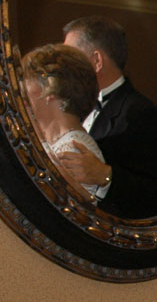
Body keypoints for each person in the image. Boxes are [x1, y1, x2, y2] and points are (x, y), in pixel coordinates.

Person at [59, 16, 157, 218]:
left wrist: (105, 175)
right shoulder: (74, 108)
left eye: (71, 58)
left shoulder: (141, 114)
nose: (63, 68)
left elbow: (155, 193)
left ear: (97, 61)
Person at [22, 43, 105, 198]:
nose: (22, 91)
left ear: (51, 90)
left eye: (27, 81)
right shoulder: (55, 142)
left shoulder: (73, 148)